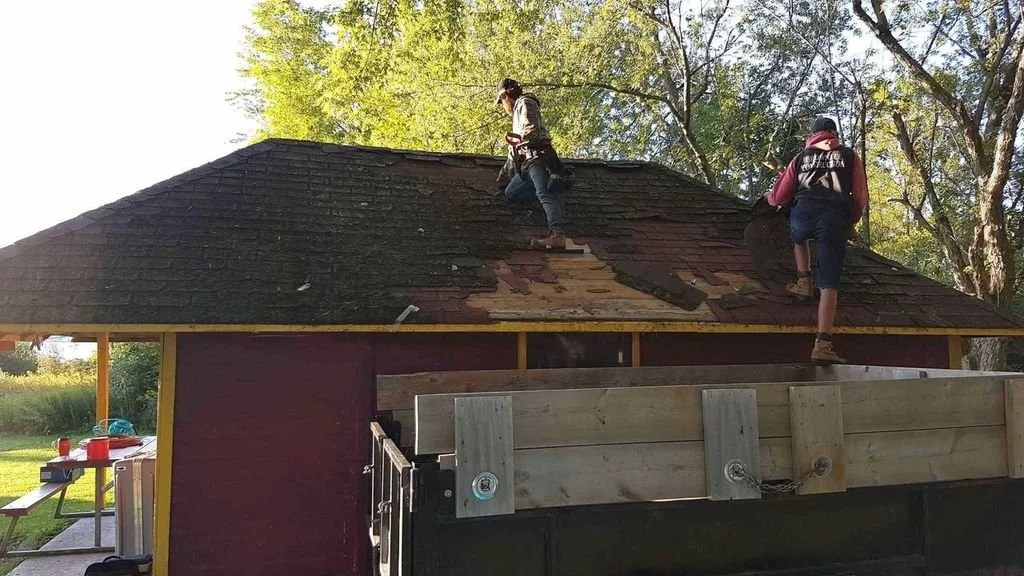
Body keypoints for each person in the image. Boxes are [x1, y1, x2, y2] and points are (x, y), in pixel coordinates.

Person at [765, 116, 869, 364]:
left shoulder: (800, 158)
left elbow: (780, 195)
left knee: (798, 238)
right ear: (834, 134)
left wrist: (770, 200)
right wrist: (851, 219)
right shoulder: (849, 155)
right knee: (829, 285)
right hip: (833, 219)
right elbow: (860, 196)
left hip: (802, 216)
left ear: (811, 136)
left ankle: (803, 280)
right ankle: (822, 344)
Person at [495, 78, 570, 249]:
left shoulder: (525, 103)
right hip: (527, 165)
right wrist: (502, 178)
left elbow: (532, 131)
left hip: (538, 158)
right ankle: (542, 195)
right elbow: (512, 156)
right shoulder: (516, 117)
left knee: (544, 194)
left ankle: (557, 234)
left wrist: (520, 143)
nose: (503, 105)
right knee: (511, 192)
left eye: (502, 101)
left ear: (506, 95)